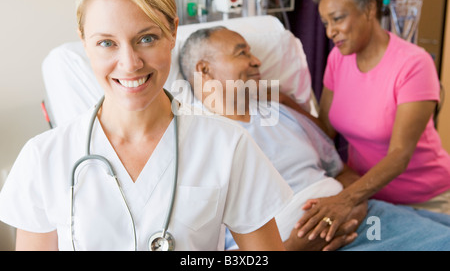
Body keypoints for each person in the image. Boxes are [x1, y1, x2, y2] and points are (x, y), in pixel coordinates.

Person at [0, 0, 293, 251]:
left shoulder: (227, 146)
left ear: (172, 33)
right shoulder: (43, 159)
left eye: (147, 38)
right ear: (84, 42)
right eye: (106, 43)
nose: (130, 63)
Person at [178, 25, 450, 251]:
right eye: (242, 53)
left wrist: (348, 204)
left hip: (363, 221)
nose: (256, 61)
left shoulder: (283, 113)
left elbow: (344, 173)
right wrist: (295, 246)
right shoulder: (194, 145)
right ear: (204, 70)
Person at [287, 0, 450, 242]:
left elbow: (399, 155)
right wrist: (283, 102)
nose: (330, 32)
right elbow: (326, 129)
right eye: (326, 23)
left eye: (338, 19)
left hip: (424, 198)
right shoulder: (338, 59)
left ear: (370, 9)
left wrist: (344, 199)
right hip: (367, 198)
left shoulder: (413, 64)